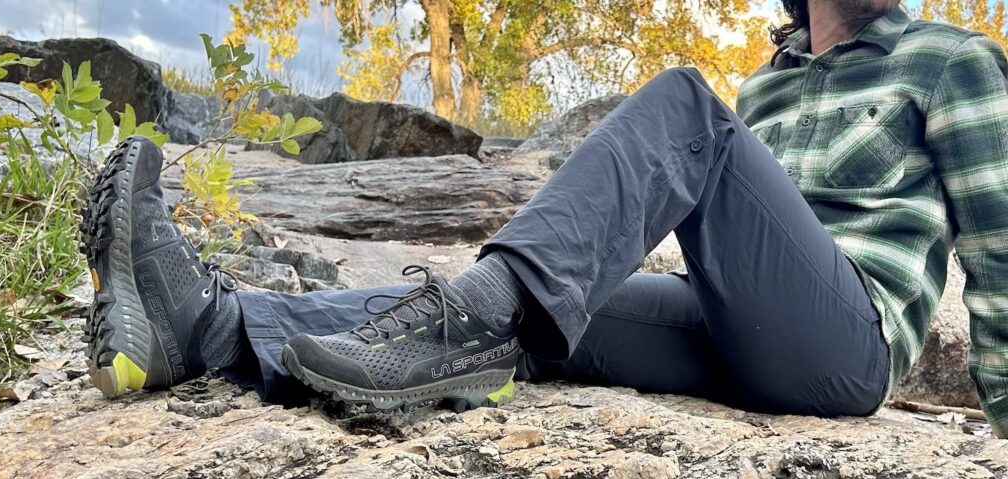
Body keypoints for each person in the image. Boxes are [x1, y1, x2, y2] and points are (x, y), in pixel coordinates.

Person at [80, 0, 1008, 437]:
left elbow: (1002, 254)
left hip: (844, 347)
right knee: (539, 316)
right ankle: (207, 327)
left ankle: (481, 302)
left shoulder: (949, 62)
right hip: (729, 324)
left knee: (687, 102)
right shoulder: (769, 82)